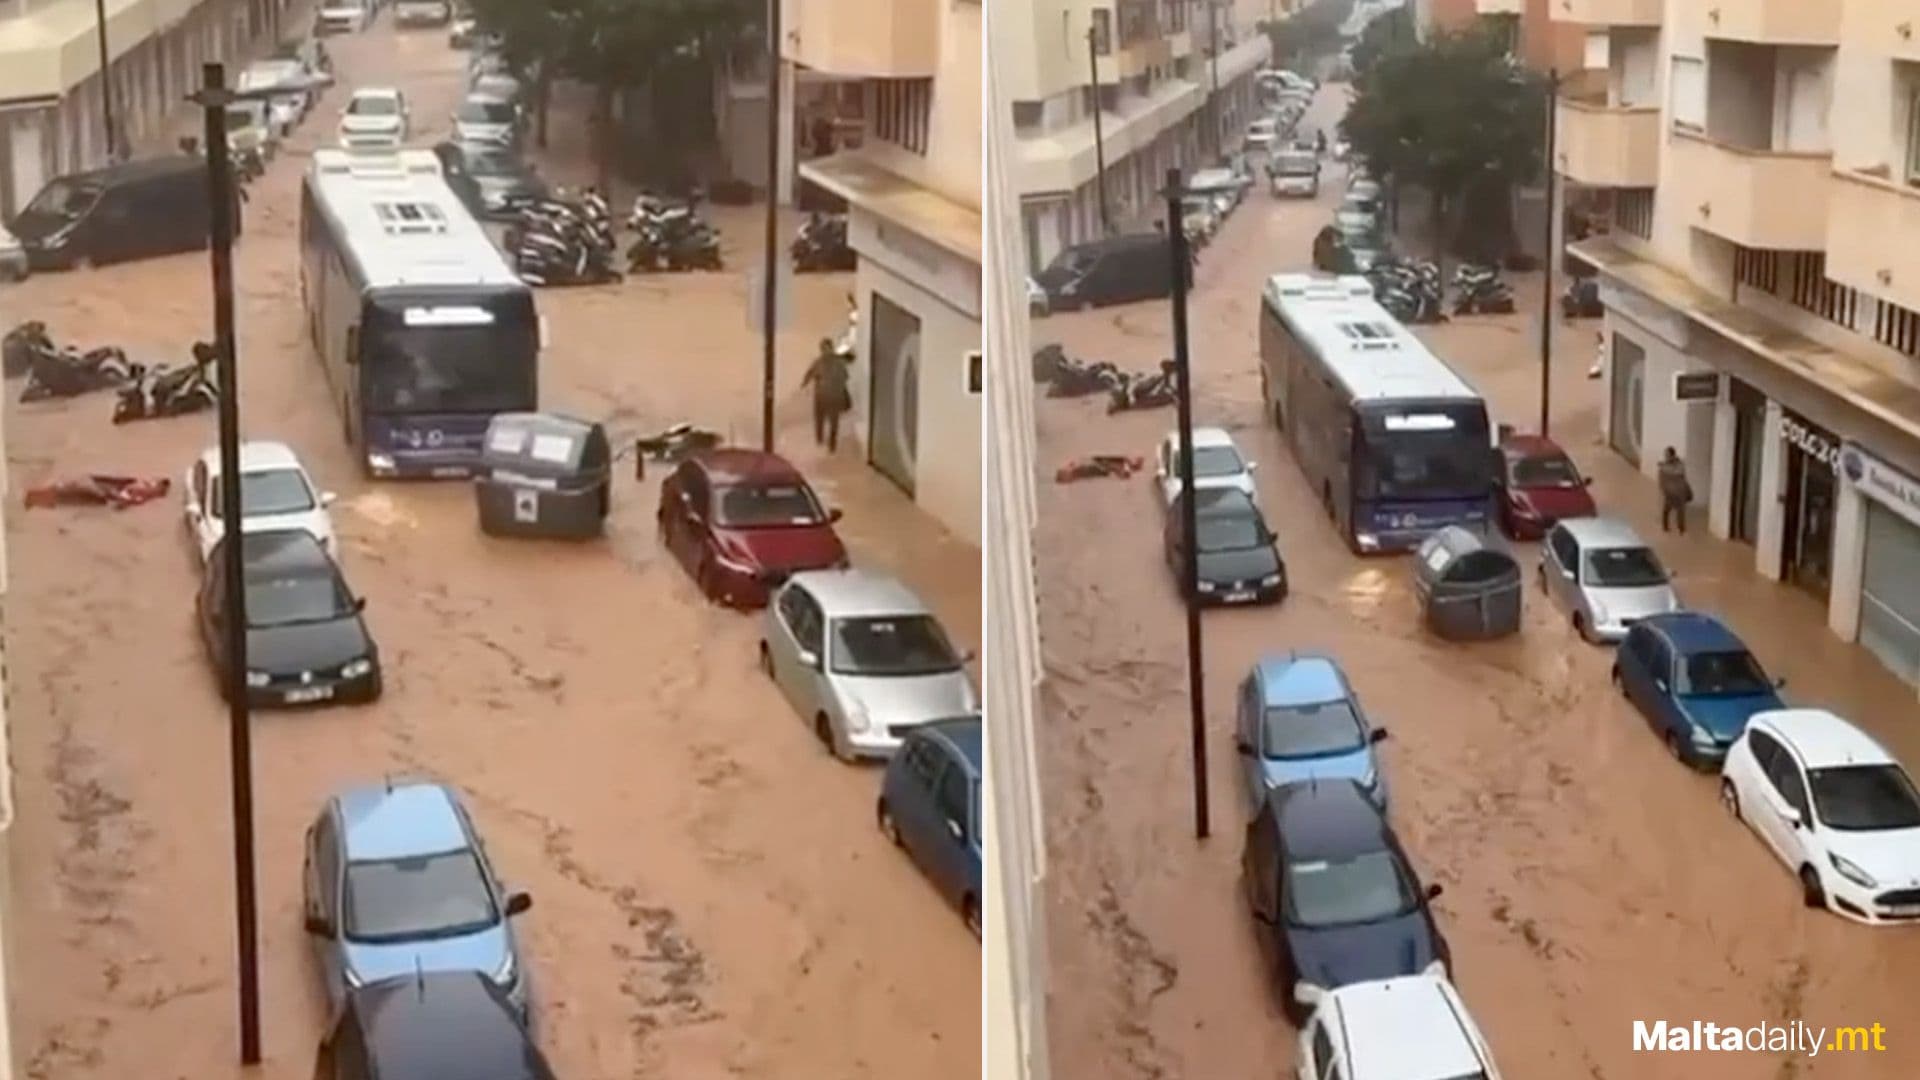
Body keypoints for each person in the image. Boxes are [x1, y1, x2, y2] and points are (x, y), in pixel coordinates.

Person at [801, 337, 852, 452]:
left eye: (825, 348)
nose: (824, 351)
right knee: (824, 419)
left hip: (829, 395)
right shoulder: (830, 362)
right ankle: (824, 440)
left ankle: (828, 442)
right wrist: (805, 382)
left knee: (829, 420)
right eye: (823, 348)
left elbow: (810, 374)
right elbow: (845, 377)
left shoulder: (822, 362)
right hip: (827, 395)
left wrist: (806, 382)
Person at [1658, 447, 1692, 534]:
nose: (1666, 457)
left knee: (1680, 510)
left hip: (1679, 491)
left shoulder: (1679, 465)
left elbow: (1678, 472)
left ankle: (1681, 528)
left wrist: (1663, 467)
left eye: (1667, 455)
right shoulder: (1665, 464)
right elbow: (1662, 479)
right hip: (1670, 492)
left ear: (1672, 455)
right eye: (1665, 455)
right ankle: (1665, 527)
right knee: (1666, 510)